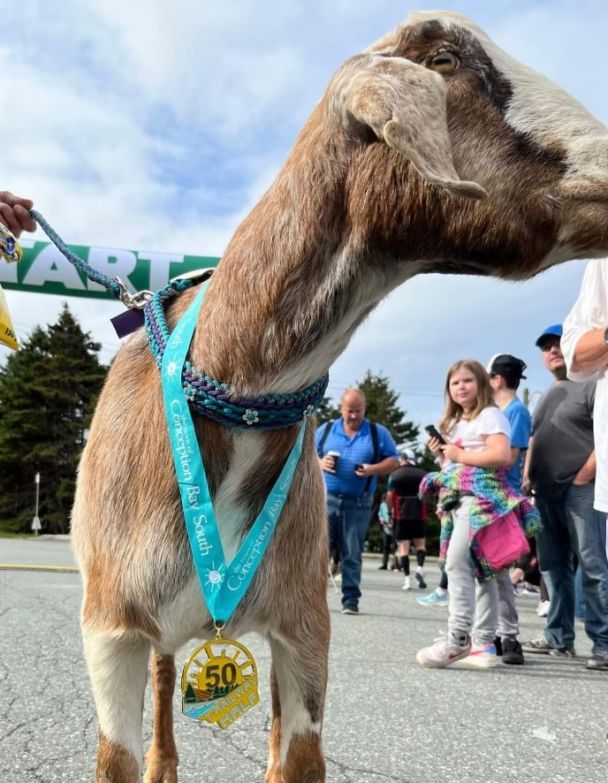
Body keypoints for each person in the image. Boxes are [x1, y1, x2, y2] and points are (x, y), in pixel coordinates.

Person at [416, 359, 539, 669]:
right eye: (455, 383)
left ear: (483, 384)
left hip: (481, 501)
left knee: (458, 563)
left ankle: (458, 638)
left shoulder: (490, 415)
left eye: (468, 381)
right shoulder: (458, 422)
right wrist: (444, 456)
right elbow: (458, 465)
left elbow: (501, 456)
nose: (461, 387)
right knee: (484, 570)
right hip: (459, 498)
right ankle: (484, 644)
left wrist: (459, 454)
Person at [522, 325, 608, 670]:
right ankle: (559, 637)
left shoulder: (592, 384)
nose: (552, 350)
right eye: (545, 347)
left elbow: (605, 436)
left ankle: (603, 643)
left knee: (592, 566)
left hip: (579, 491)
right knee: (553, 569)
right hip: (544, 493)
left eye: (557, 343)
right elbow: (535, 438)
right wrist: (528, 475)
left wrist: (584, 475)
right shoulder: (547, 393)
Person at [316, 388, 399, 614]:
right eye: (349, 410)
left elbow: (394, 460)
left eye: (358, 411)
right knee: (318, 551)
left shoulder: (376, 432)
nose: (353, 415)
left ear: (365, 409)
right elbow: (306, 456)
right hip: (326, 499)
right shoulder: (325, 430)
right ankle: (312, 600)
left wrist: (373, 469)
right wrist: (321, 463)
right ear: (341, 409)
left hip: (359, 503)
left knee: (352, 552)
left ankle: (350, 599)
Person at [484, 354, 532, 665]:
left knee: (500, 568)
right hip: (487, 494)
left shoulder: (516, 411)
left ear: (497, 380)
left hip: (503, 495)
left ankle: (510, 635)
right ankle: (493, 633)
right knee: (486, 569)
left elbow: (509, 457)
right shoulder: (498, 412)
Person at [387, 449, 427, 591]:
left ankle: (407, 580)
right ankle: (420, 569)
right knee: (420, 545)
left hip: (401, 515)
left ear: (403, 459)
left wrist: (389, 511)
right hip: (419, 514)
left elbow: (390, 496)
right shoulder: (423, 474)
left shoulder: (395, 475)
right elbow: (428, 494)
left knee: (404, 548)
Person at [377, 492, 396, 570]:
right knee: (385, 546)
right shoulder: (382, 505)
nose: (389, 498)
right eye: (388, 497)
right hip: (386, 528)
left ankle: (395, 564)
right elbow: (380, 513)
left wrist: (393, 523)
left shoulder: (395, 504)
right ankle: (384, 563)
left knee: (394, 547)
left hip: (394, 528)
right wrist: (381, 519)